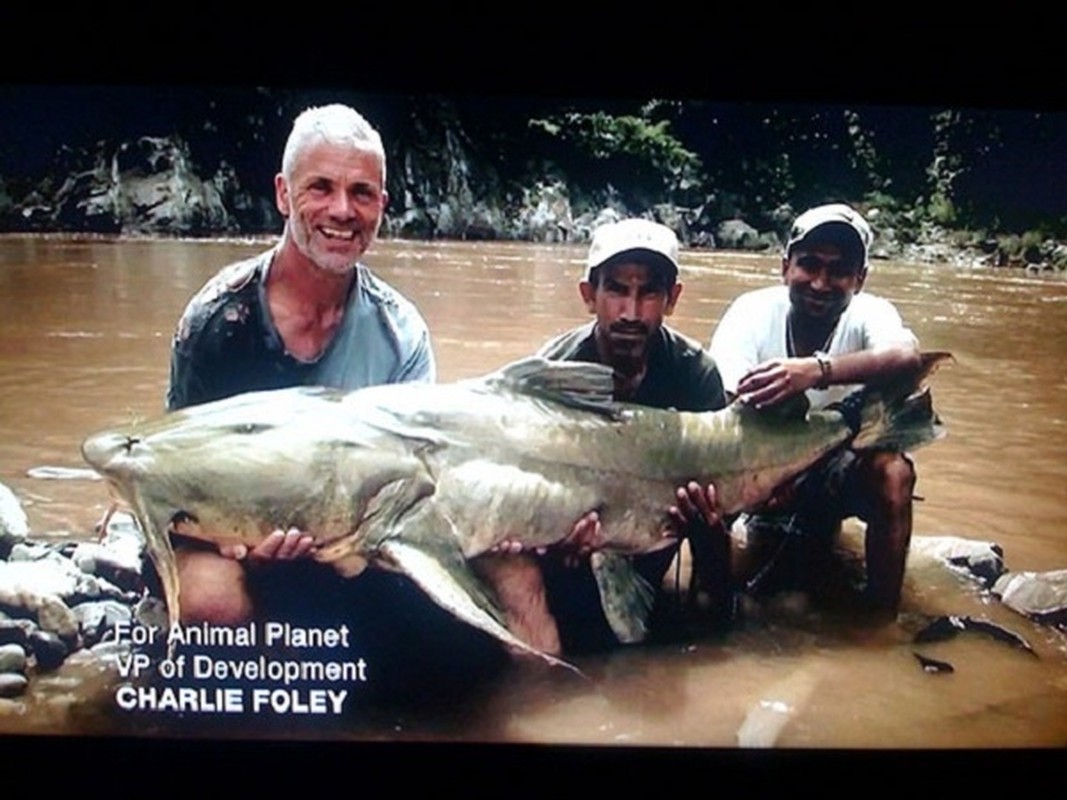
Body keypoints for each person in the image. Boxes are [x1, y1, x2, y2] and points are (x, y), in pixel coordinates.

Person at [164, 104, 435, 628]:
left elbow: (415, 480)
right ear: (284, 195)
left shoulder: (401, 334)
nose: (342, 210)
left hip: (356, 539)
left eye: (361, 193)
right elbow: (179, 478)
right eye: (321, 187)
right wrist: (240, 541)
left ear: (382, 204)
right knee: (210, 602)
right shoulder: (217, 322)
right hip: (231, 536)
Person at [479, 218, 732, 654]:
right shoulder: (551, 374)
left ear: (672, 299)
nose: (630, 312)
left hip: (659, 528)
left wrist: (712, 523)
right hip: (578, 537)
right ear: (588, 295)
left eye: (648, 293)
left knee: (715, 561)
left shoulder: (696, 374)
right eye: (615, 289)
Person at [708, 203, 922, 613]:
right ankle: (712, 610)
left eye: (839, 270)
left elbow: (908, 357)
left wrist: (818, 371)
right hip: (753, 462)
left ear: (859, 279)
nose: (821, 283)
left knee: (894, 474)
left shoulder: (870, 313)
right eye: (809, 265)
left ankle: (880, 621)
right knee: (700, 484)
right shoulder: (751, 312)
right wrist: (769, 476)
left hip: (833, 462)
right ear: (785, 266)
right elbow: (723, 407)